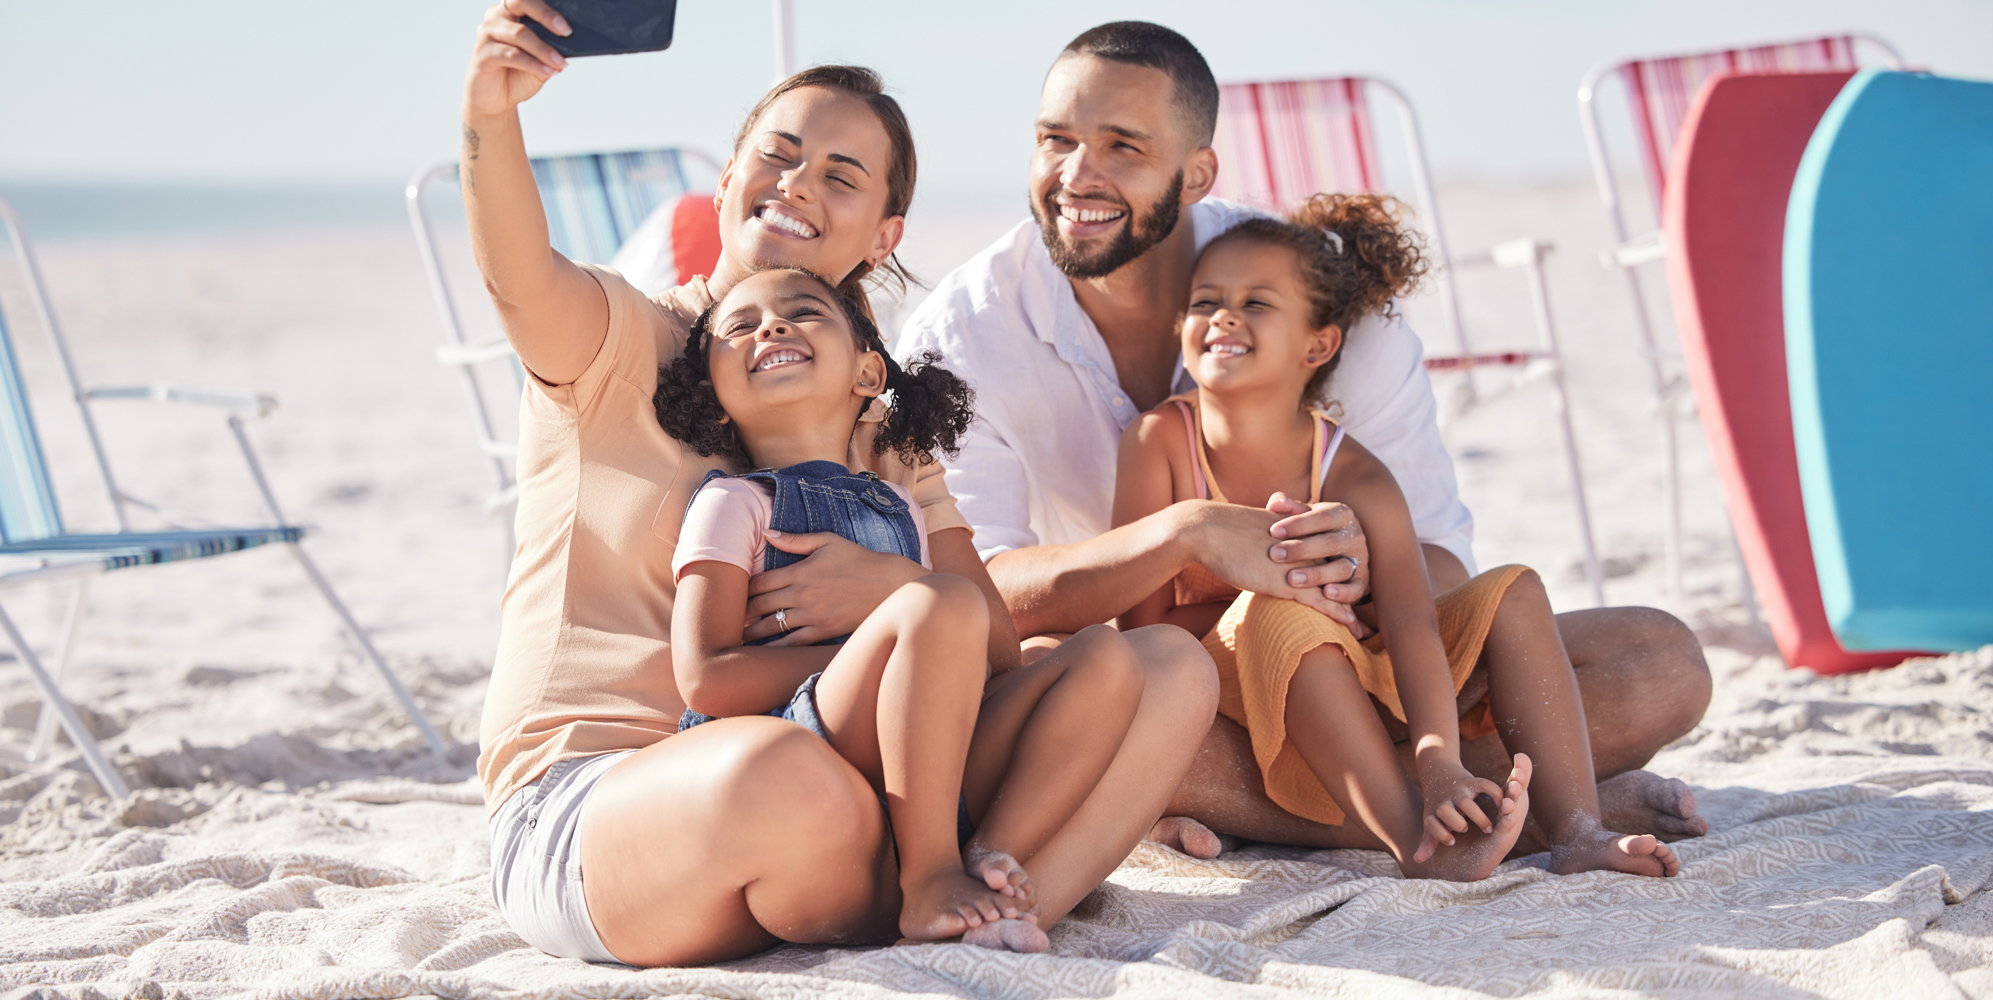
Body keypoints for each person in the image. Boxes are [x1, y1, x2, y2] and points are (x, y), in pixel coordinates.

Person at [465, 1, 1215, 967]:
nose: (796, 185)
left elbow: (985, 638)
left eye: (840, 176)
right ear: (729, 177)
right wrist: (491, 112)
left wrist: (892, 593)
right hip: (614, 799)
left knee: (1165, 666)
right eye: (775, 157)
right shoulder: (623, 339)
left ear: (883, 230)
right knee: (788, 781)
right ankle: (950, 876)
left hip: (861, 789)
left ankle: (1005, 909)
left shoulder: (882, 420)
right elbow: (518, 278)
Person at [897, 20, 1711, 858]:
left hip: (1364, 667)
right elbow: (980, 598)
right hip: (1166, 682)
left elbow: (1437, 571)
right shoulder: (961, 339)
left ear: (1198, 172)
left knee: (1661, 664)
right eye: (1055, 140)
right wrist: (1188, 537)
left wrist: (1357, 567)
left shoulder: (1322, 301)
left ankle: (1406, 802)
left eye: (1122, 148)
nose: (1076, 176)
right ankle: (1494, 810)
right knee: (1046, 689)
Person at [1116, 193, 1682, 880]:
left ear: (1318, 344)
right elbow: (1144, 628)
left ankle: (1576, 827)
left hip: (1360, 686)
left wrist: (1439, 756)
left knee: (1514, 590)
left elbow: (1412, 620)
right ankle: (1414, 838)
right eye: (1206, 301)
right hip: (1230, 696)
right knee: (1284, 613)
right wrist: (1280, 592)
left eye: (1257, 303)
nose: (1225, 316)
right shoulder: (1158, 445)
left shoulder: (1353, 471)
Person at [660, 265, 1158, 949]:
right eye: (739, 327)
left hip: (932, 764)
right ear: (716, 398)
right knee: (939, 603)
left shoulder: (901, 505)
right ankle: (928, 879)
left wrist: (918, 637)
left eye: (803, 312)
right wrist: (890, 656)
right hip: (804, 746)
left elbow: (993, 656)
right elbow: (705, 679)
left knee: (1104, 654)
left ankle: (993, 857)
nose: (770, 326)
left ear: (868, 374)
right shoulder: (733, 504)